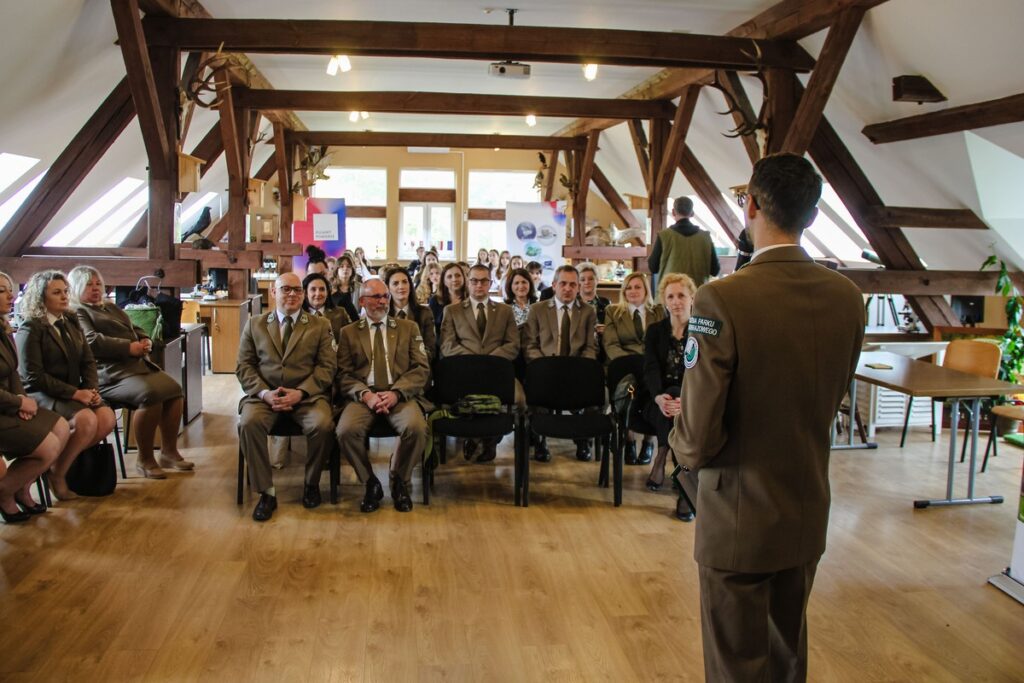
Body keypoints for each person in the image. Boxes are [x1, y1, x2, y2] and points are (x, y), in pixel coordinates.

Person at [670, 153, 865, 682]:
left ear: (750, 205)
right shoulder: (848, 297)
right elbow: (832, 394)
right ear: (815, 216)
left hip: (737, 511)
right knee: (787, 658)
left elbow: (700, 423)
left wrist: (680, 453)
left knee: (735, 662)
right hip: (806, 505)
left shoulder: (720, 299)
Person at [69, 266, 192, 478]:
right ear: (76, 288)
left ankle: (169, 452)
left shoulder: (109, 307)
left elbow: (133, 326)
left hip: (135, 366)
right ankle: (145, 459)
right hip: (108, 372)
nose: (95, 288)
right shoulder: (79, 312)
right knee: (150, 394)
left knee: (174, 390)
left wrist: (145, 339)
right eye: (89, 285)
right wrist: (128, 347)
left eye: (98, 283)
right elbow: (91, 341)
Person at [236, 272, 337, 522]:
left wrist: (301, 392)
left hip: (307, 397)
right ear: (273, 292)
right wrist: (264, 392)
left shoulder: (320, 325)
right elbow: (244, 366)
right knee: (248, 423)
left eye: (297, 290)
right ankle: (267, 492)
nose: (292, 294)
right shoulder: (255, 324)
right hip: (264, 397)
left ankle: (311, 484)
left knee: (323, 425)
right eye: (285, 290)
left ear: (303, 295)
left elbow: (327, 367)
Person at [15, 270, 116, 500]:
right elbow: (33, 376)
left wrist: (91, 390)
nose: (64, 297)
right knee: (86, 420)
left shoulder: (70, 320)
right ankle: (58, 475)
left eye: (65, 291)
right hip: (42, 393)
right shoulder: (31, 328)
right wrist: (75, 393)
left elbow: (88, 360)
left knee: (107, 418)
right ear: (41, 298)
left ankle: (57, 465)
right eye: (57, 293)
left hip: (74, 392)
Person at [336, 279, 430, 513]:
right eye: (375, 297)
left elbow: (421, 369)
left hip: (399, 394)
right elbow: (343, 375)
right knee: (345, 431)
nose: (382, 301)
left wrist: (397, 392)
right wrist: (365, 395)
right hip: (363, 397)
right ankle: (370, 483)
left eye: (385, 296)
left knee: (417, 428)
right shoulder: (348, 333)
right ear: (362, 301)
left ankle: (399, 480)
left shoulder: (408, 328)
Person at [0, 270, 69, 521]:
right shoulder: (28, 327)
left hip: (10, 403)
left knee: (61, 428)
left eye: (10, 289)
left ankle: (23, 486)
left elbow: (13, 374)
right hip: (2, 408)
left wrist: (23, 402)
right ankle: (5, 492)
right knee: (48, 446)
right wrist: (19, 402)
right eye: (2, 291)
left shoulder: (4, 326)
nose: (11, 295)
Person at [440, 263, 520, 462]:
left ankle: (490, 438)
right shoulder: (452, 311)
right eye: (474, 280)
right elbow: (447, 345)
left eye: (484, 281)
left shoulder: (505, 311)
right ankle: (475, 437)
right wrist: (473, 362)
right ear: (468, 282)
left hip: (496, 371)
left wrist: (491, 361)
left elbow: (513, 344)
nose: (479, 285)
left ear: (490, 283)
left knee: (519, 399)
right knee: (468, 400)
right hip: (464, 371)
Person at [523, 265, 597, 462]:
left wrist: (579, 369)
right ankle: (540, 440)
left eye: (573, 284)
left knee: (594, 390)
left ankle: (582, 439)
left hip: (576, 371)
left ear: (578, 287)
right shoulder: (537, 310)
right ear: (554, 285)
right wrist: (545, 367)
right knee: (534, 387)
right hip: (545, 370)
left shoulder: (588, 312)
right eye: (563, 283)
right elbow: (530, 345)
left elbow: (590, 347)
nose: (568, 288)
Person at [641, 272, 696, 521]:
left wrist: (685, 400)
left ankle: (662, 453)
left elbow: (702, 372)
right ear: (664, 300)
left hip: (692, 402)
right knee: (670, 404)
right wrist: (658, 397)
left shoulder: (701, 331)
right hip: (657, 401)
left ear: (692, 298)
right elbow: (650, 368)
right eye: (670, 296)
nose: (676, 302)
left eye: (681, 296)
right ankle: (685, 485)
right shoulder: (654, 331)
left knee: (677, 403)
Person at [603, 272, 665, 465]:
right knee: (629, 393)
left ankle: (649, 442)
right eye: (628, 287)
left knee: (657, 387)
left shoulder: (658, 311)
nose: (632, 291)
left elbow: (662, 344)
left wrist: (649, 365)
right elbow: (611, 344)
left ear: (646, 290)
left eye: (637, 287)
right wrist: (630, 364)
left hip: (652, 365)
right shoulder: (613, 311)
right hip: (624, 365)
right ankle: (629, 440)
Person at [648, 196, 720, 287]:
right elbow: (715, 271)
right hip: (697, 297)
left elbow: (653, 267)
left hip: (669, 296)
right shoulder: (705, 237)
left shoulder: (664, 236)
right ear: (692, 213)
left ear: (673, 212)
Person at [386, 267, 436, 364]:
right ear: (388, 288)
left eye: (405, 282)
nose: (401, 286)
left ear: (410, 285)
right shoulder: (382, 315)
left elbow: (430, 350)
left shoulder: (424, 313)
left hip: (418, 368)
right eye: (395, 283)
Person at [302, 272, 350, 341]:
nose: (318, 293)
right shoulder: (298, 314)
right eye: (313, 289)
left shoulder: (340, 313)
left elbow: (349, 339)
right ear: (306, 293)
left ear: (327, 293)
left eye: (322, 289)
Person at [428, 263, 466, 340]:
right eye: (449, 277)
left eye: (458, 275)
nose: (454, 279)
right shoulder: (435, 301)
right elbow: (431, 329)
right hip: (443, 344)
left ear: (464, 278)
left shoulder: (471, 299)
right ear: (444, 281)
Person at [577, 262, 610, 328]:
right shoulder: (571, 303)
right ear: (577, 283)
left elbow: (612, 328)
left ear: (597, 280)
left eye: (591, 279)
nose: (587, 282)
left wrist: (606, 330)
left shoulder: (606, 303)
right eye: (582, 280)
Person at [330, 253, 360, 321]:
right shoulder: (330, 287)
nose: (345, 269)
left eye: (348, 266)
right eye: (341, 266)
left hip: (355, 322)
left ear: (352, 270)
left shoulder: (360, 287)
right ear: (337, 269)